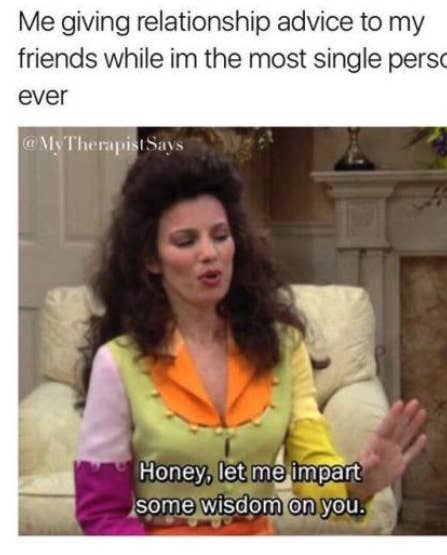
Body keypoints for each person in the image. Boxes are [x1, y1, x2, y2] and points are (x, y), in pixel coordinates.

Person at [74, 142, 427, 535]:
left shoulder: (282, 346)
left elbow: (312, 468)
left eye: (220, 235)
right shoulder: (117, 363)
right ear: (151, 259)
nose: (210, 253)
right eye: (186, 241)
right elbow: (101, 514)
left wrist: (360, 483)